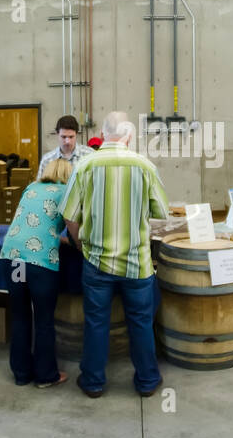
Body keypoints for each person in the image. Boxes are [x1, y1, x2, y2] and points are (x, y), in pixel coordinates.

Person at [60, 111, 170, 398]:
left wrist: (81, 244)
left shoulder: (85, 165)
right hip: (137, 264)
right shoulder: (145, 166)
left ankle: (93, 381)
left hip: (96, 262)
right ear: (130, 136)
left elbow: (70, 216)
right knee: (141, 323)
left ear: (103, 133)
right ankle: (147, 380)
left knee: (96, 323)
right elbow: (160, 213)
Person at [0, 155, 72, 388]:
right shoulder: (66, 192)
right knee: (44, 320)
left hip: (12, 258)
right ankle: (45, 375)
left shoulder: (31, 186)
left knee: (20, 316)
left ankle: (21, 373)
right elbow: (72, 228)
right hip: (39, 262)